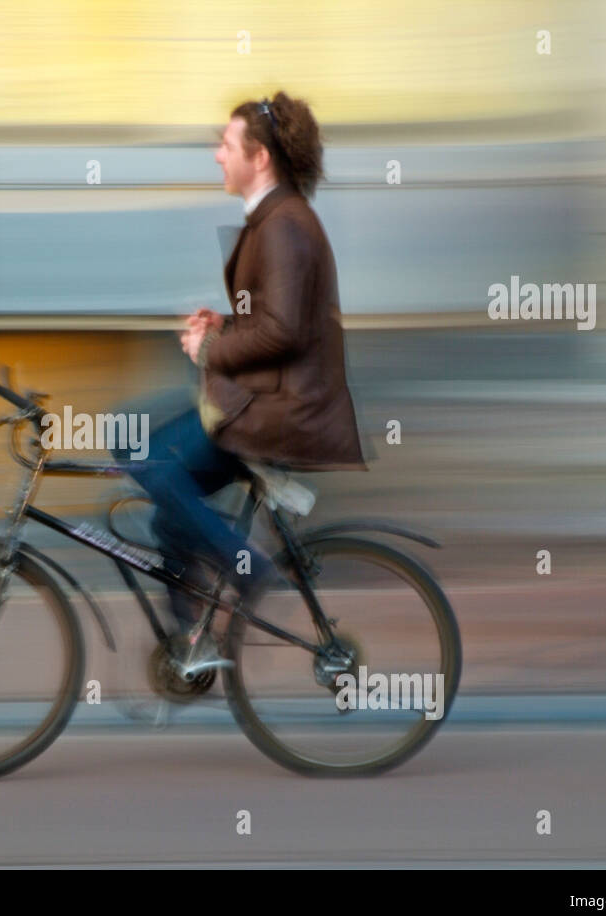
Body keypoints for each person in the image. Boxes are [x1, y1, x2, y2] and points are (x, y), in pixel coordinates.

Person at [113, 91, 367, 674]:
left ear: (260, 158)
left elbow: (283, 334)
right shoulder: (276, 219)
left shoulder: (284, 225)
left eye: (226, 145)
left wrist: (212, 347)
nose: (216, 155)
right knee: (148, 469)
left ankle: (246, 570)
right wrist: (223, 325)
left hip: (280, 413)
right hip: (262, 400)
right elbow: (277, 320)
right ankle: (192, 642)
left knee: (150, 461)